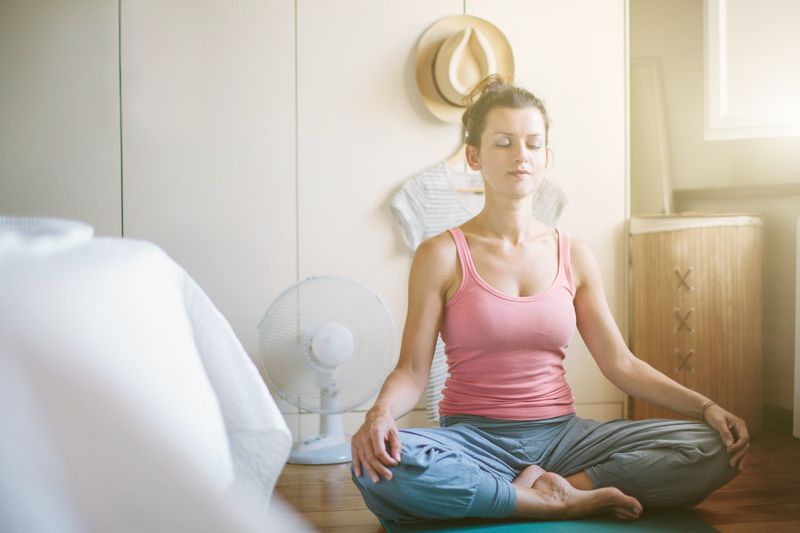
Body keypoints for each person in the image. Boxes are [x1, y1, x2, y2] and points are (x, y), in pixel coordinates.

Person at [350, 75, 748, 523]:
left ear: (546, 157)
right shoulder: (440, 254)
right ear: (475, 156)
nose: (520, 155)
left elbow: (621, 364)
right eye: (503, 142)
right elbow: (411, 370)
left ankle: (560, 490)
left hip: (564, 440)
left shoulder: (574, 254)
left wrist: (707, 407)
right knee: (380, 464)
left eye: (532, 143)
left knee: (711, 447)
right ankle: (551, 500)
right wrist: (379, 415)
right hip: (474, 438)